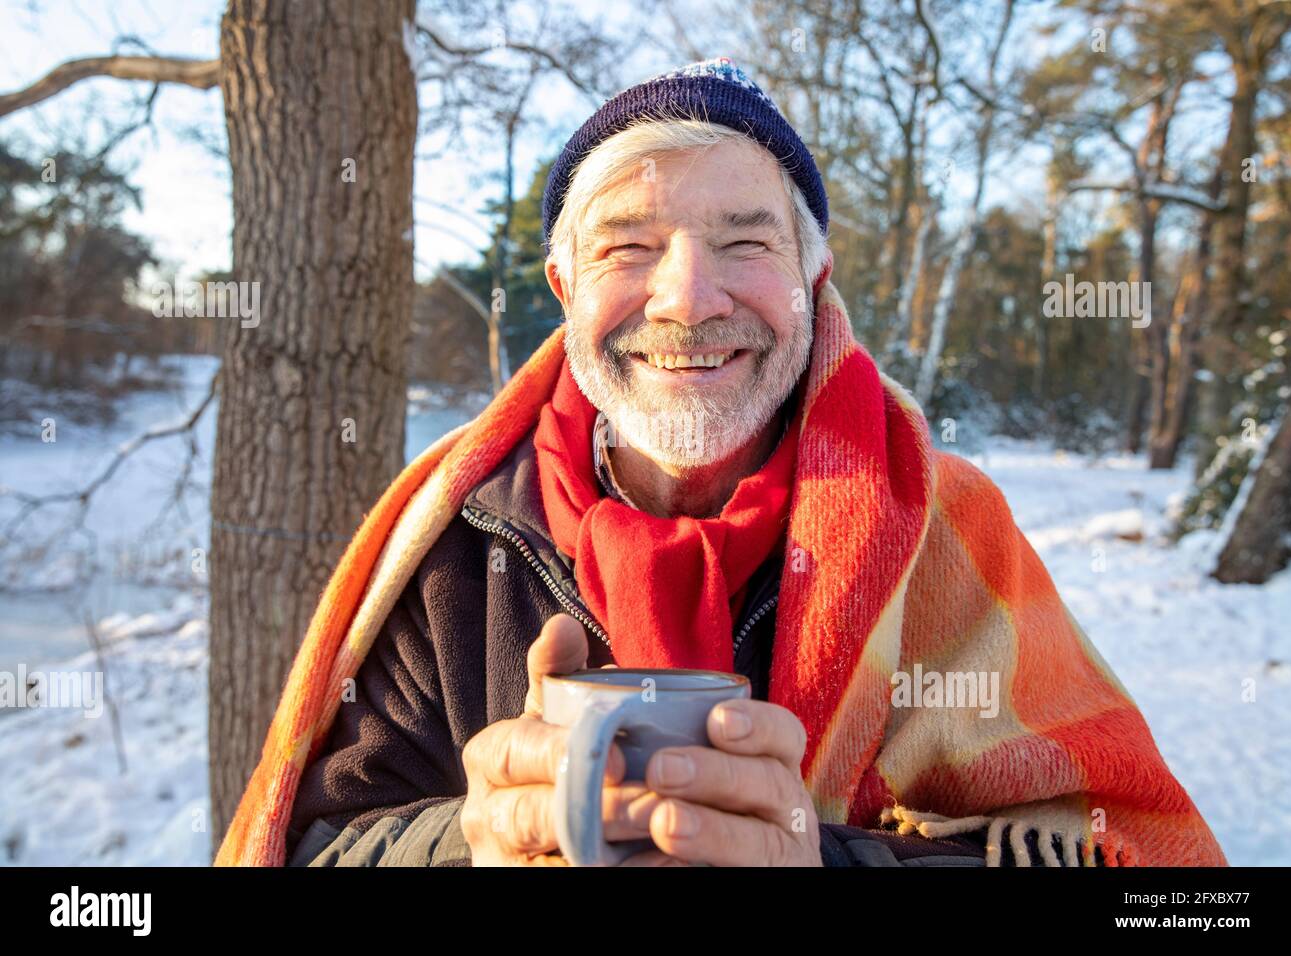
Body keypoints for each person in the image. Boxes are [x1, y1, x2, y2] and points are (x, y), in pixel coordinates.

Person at [216, 57, 1227, 868]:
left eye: (745, 242)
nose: (688, 300)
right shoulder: (452, 534)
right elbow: (310, 842)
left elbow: (1133, 857)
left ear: (813, 274)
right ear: (564, 283)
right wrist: (469, 838)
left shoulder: (942, 526)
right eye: (628, 248)